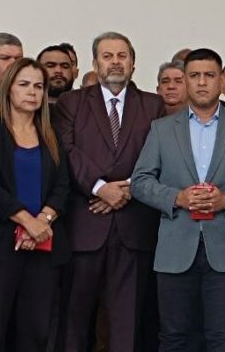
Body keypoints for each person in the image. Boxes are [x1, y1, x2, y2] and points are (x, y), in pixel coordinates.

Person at [132, 49, 225, 352]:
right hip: (175, 246)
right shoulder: (162, 129)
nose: (202, 82)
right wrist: (177, 197)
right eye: (194, 76)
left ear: (221, 81)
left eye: (209, 75)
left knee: (221, 338)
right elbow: (140, 181)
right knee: (173, 337)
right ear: (185, 80)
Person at [54, 32, 166, 352]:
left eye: (122, 56)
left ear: (133, 63)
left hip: (134, 227)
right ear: (95, 63)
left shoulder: (153, 105)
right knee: (74, 321)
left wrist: (128, 189)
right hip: (85, 225)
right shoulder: (72, 103)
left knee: (126, 324)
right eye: (107, 56)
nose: (115, 62)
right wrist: (100, 188)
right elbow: (66, 150)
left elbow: (158, 155)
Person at [0, 58, 71, 352]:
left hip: (44, 245)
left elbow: (63, 186)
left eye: (38, 86)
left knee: (36, 333)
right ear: (9, 88)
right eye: (24, 84)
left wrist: (43, 221)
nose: (32, 92)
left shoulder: (50, 133)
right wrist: (28, 222)